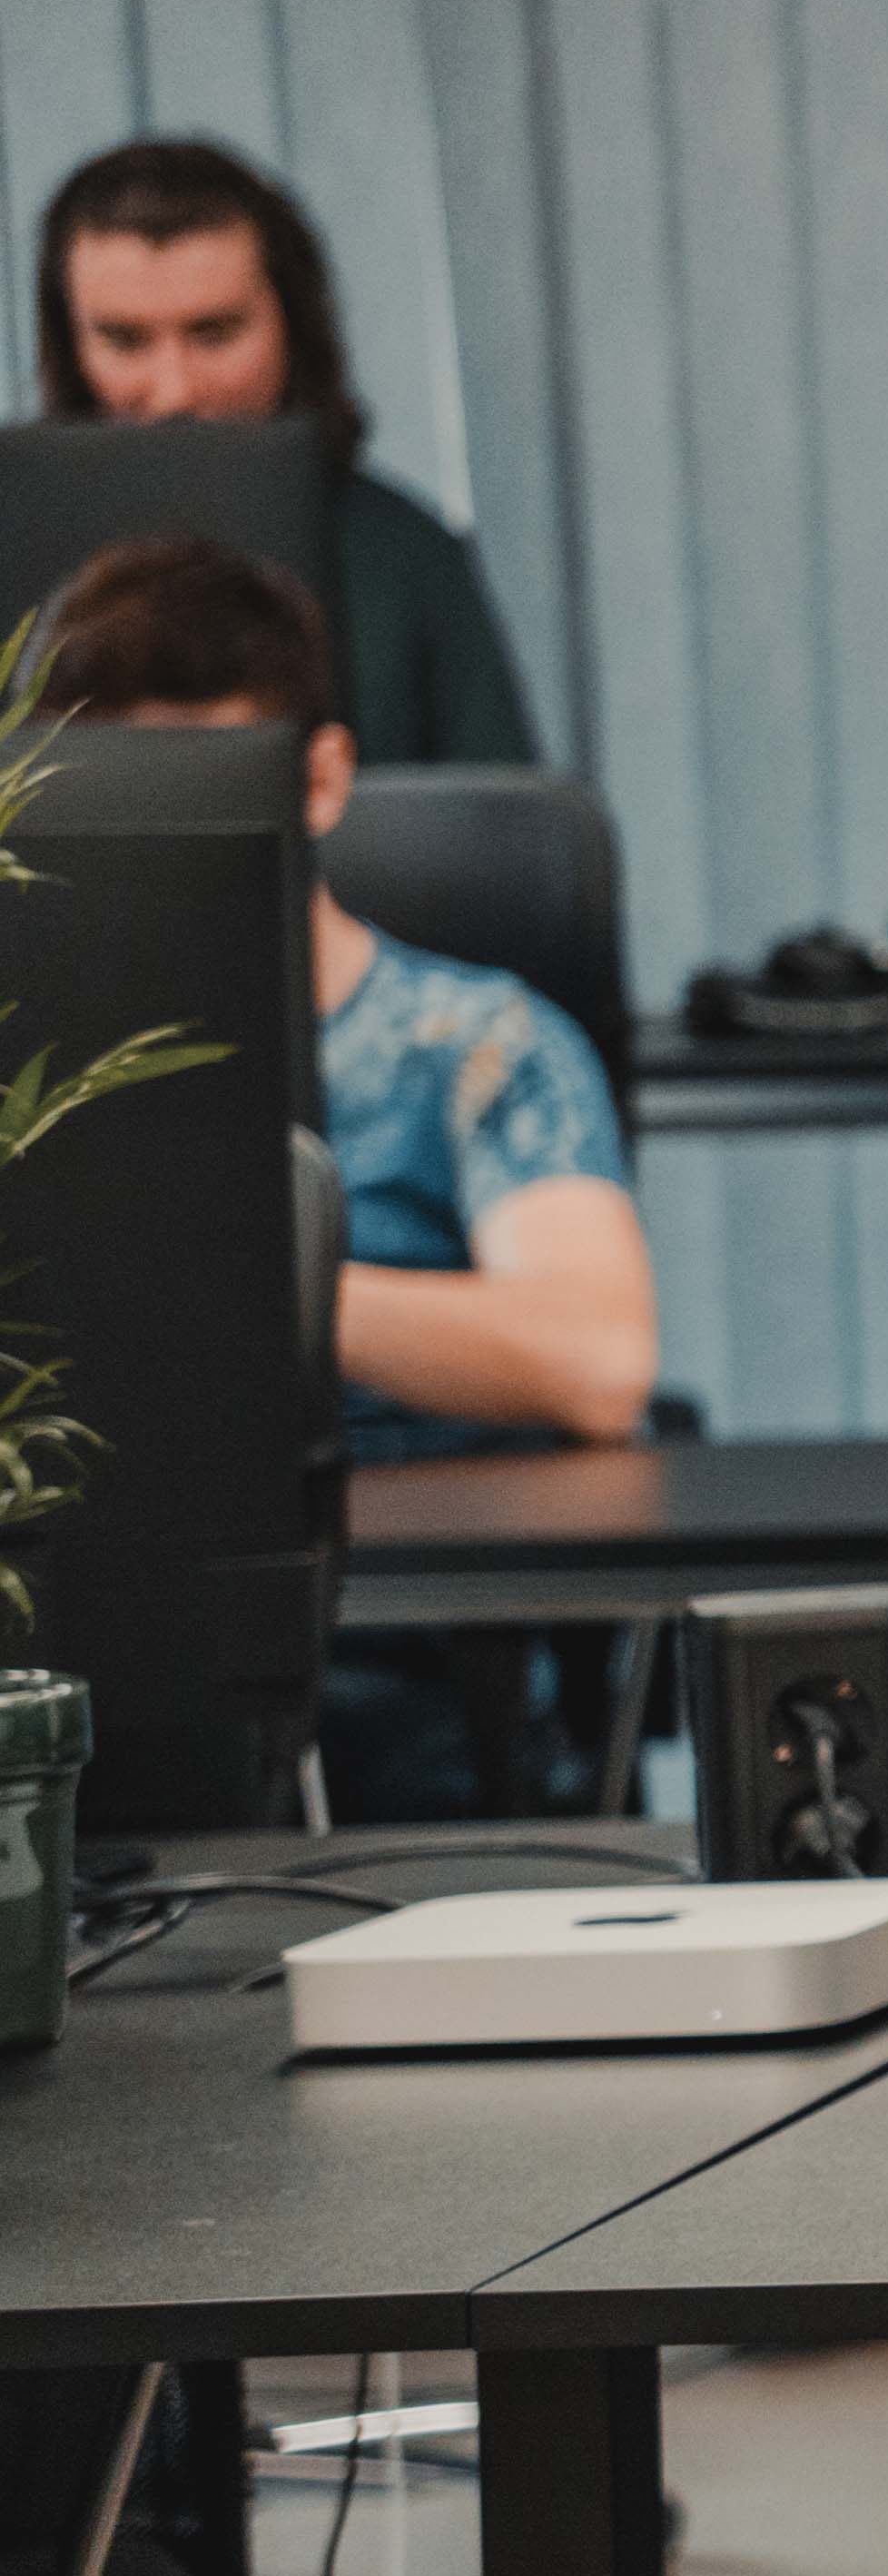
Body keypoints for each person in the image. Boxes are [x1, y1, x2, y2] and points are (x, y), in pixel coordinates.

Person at [42, 534, 656, 1814]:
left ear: (319, 777)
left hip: (396, 1647)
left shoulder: (476, 1047)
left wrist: (233, 1288)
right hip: (71, 1640)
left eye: (188, 778)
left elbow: (597, 1358)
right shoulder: (29, 1076)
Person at [34, 138, 542, 768]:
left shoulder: (406, 558)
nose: (175, 391)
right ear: (69, 346)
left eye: (214, 334)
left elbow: (496, 841)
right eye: (125, 341)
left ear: (292, 325)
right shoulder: (15, 547)